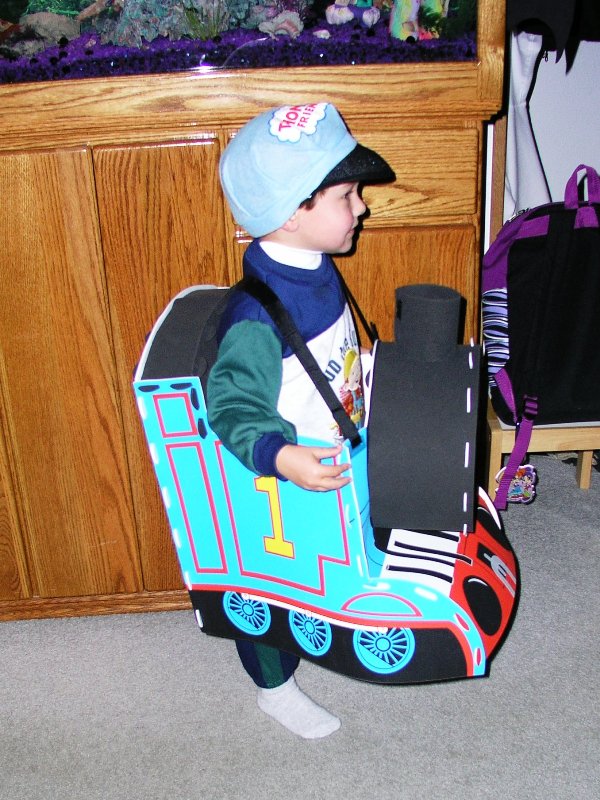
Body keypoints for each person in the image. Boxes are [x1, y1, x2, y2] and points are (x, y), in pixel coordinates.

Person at [208, 101, 395, 739]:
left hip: (338, 451)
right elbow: (232, 404)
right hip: (287, 479)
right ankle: (274, 687)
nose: (362, 208)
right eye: (347, 196)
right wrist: (281, 455)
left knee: (343, 552)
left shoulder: (315, 267)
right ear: (293, 212)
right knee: (271, 584)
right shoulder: (256, 316)